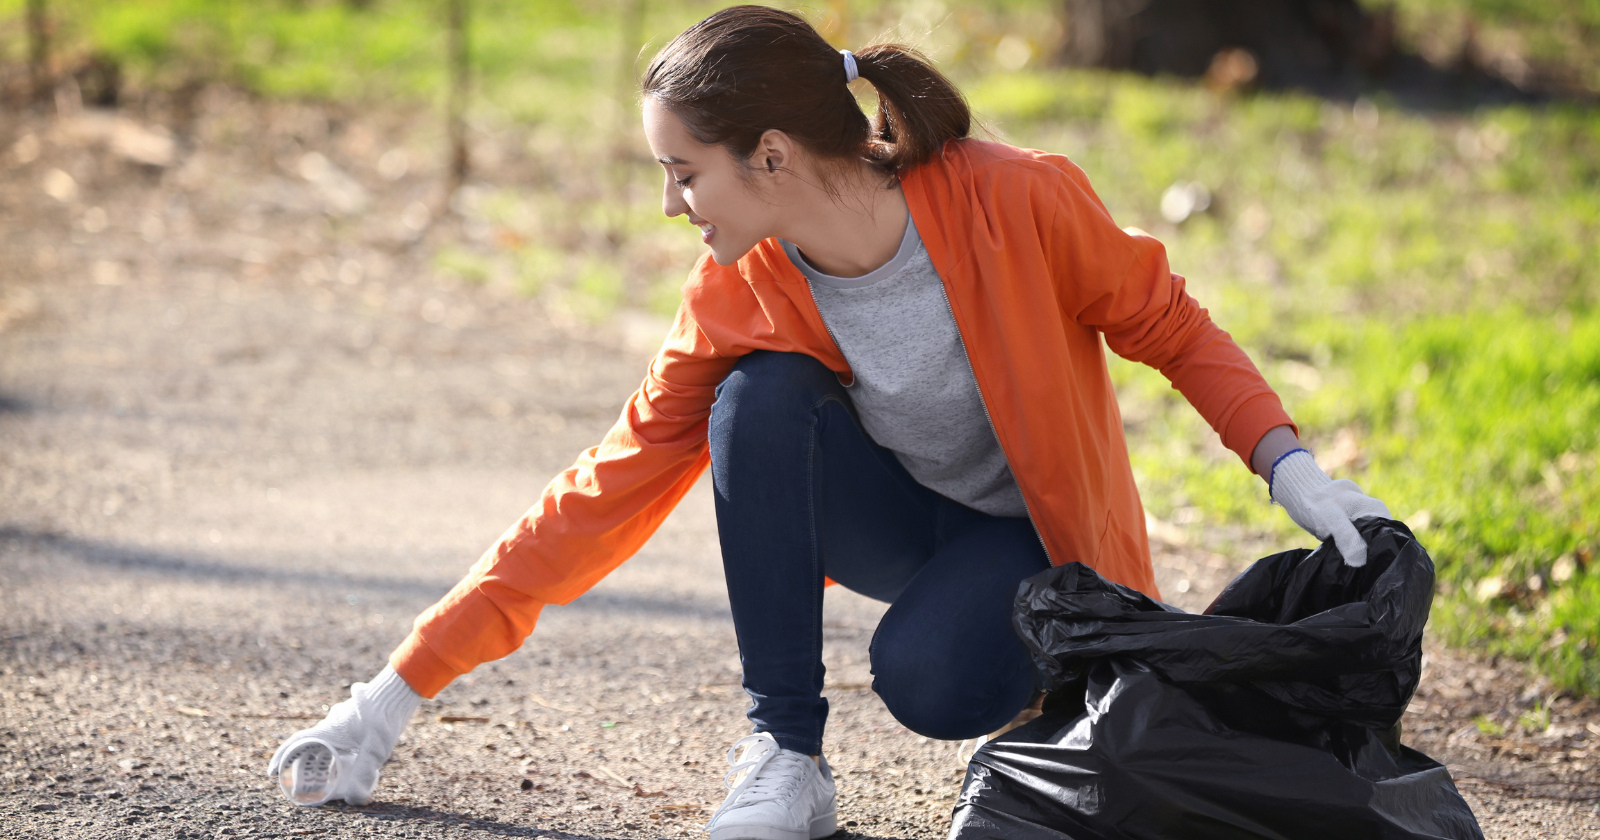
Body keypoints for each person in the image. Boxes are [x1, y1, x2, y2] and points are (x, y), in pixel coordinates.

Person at [267, 5, 1391, 839]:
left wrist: (1286, 465)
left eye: (682, 173)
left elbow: (1168, 321)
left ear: (771, 155)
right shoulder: (739, 289)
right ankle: (784, 759)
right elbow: (601, 487)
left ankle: (1049, 684)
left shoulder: (1015, 198)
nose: (670, 206)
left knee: (930, 683)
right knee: (755, 404)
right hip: (902, 524)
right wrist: (395, 691)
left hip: (1034, 549)